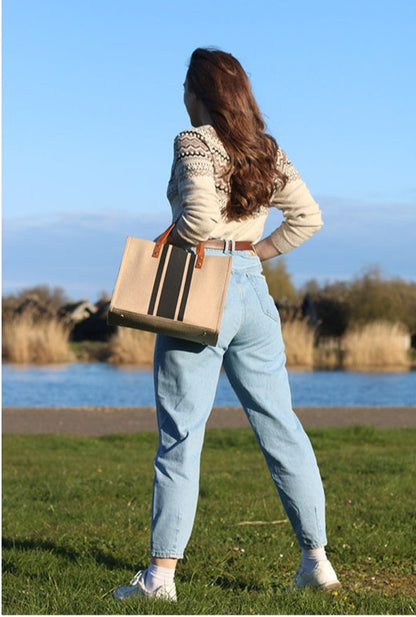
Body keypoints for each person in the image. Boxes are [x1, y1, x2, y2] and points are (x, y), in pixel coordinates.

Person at [114, 47, 340, 602]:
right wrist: (256, 252)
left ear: (200, 93)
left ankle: (160, 579)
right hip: (253, 295)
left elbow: (196, 218)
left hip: (200, 290)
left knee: (181, 435)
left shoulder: (194, 141)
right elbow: (308, 216)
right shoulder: (266, 149)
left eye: (185, 87)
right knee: (280, 424)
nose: (182, 97)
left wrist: (176, 241)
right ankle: (317, 561)